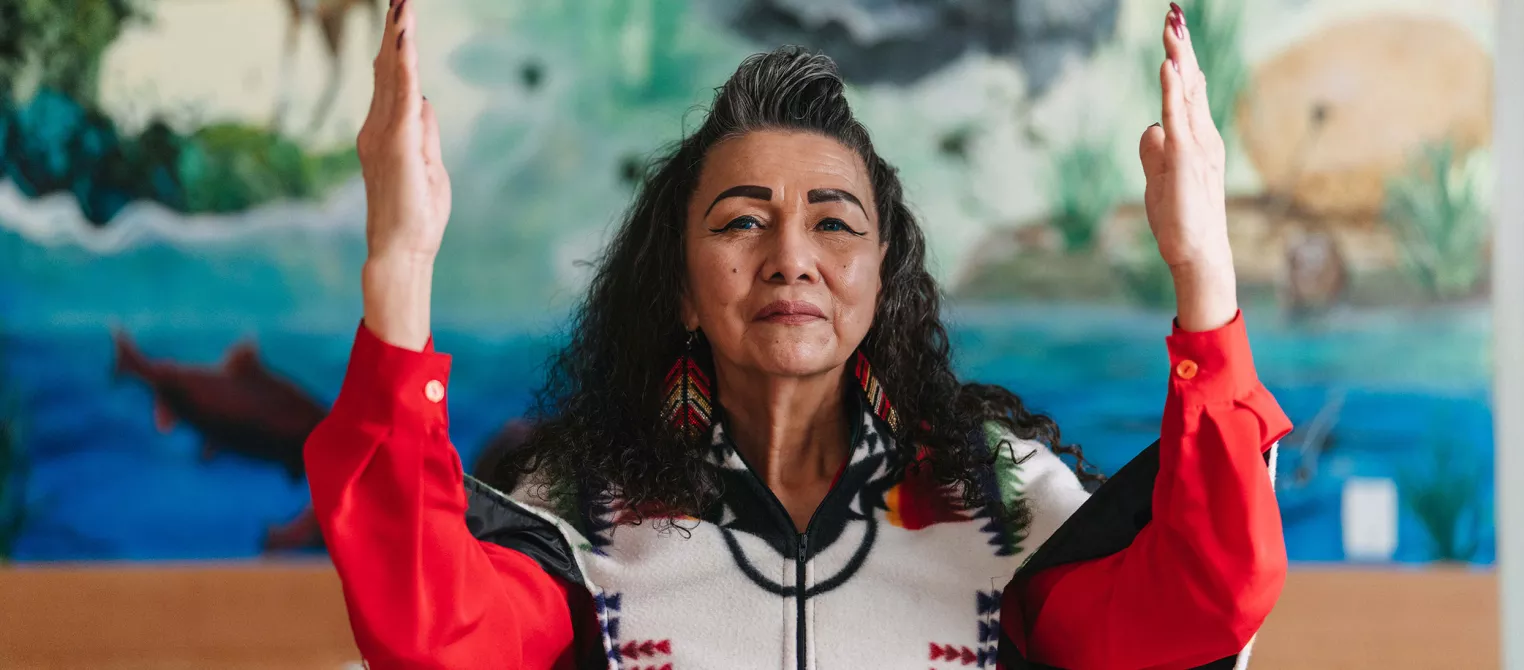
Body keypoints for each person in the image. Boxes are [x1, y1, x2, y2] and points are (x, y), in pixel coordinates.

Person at [305, 1, 1293, 668]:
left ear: (879, 278)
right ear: (682, 289)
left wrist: (1202, 275)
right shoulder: (580, 505)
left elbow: (1205, 598)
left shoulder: (1001, 498)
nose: (790, 257)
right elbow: (428, 626)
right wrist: (398, 267)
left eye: (833, 222)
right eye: (740, 220)